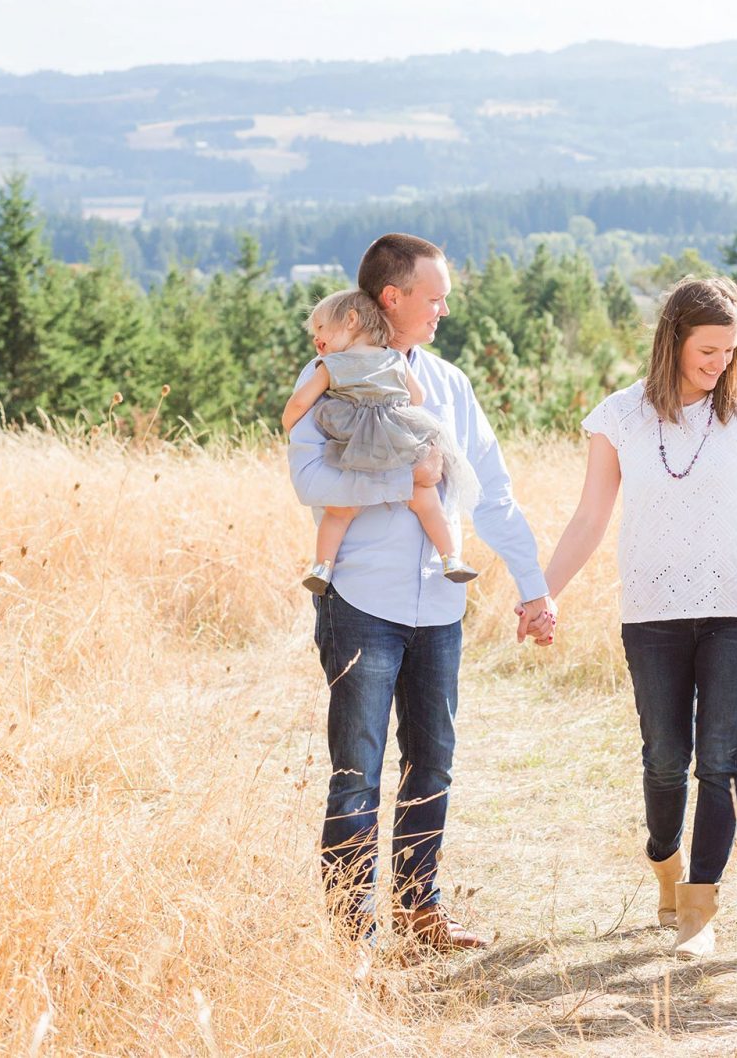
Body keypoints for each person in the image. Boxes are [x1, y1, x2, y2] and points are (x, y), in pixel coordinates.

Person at [285, 233, 555, 949]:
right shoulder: (329, 377)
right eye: (432, 298)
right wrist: (403, 484)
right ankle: (351, 935)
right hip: (360, 604)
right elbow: (309, 479)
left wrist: (535, 588)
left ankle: (419, 908)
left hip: (440, 604)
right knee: (357, 770)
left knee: (432, 759)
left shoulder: (450, 386)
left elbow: (491, 493)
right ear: (390, 298)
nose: (443, 311)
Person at [539, 276, 737, 959]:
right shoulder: (620, 418)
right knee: (665, 760)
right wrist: (546, 592)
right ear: (673, 339)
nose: (719, 363)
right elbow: (591, 516)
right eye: (707, 349)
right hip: (654, 611)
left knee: (721, 759)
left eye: (729, 350)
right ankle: (666, 864)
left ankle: (700, 912)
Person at [281, 288, 479, 595]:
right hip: (399, 442)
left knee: (339, 512)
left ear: (350, 321)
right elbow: (418, 397)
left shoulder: (331, 366)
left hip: (357, 447)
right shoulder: (395, 359)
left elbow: (299, 403)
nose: (315, 339)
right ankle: (451, 557)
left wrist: (288, 423)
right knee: (428, 502)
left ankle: (322, 566)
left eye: (320, 329)